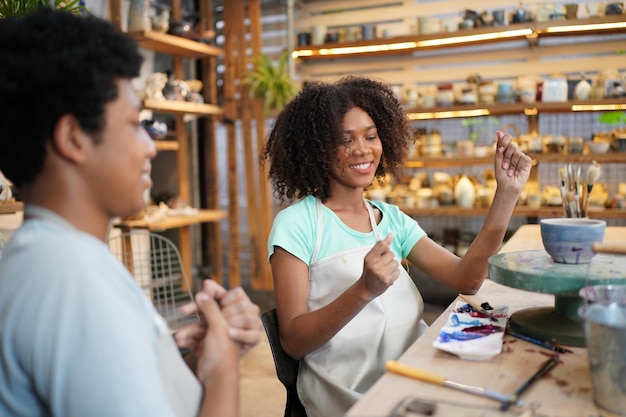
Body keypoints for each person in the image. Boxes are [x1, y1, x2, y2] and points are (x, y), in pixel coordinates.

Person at [0, 9, 261, 417]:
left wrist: (197, 362)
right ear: (73, 138)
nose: (151, 146)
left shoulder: (56, 259)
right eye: (134, 122)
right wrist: (223, 369)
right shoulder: (69, 278)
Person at [261, 76, 532, 417]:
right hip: (348, 397)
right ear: (317, 149)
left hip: (413, 376)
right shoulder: (296, 225)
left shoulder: (390, 219)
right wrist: (363, 290)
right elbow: (294, 342)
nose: (363, 149)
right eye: (345, 141)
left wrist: (506, 194)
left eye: (371, 136)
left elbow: (466, 279)